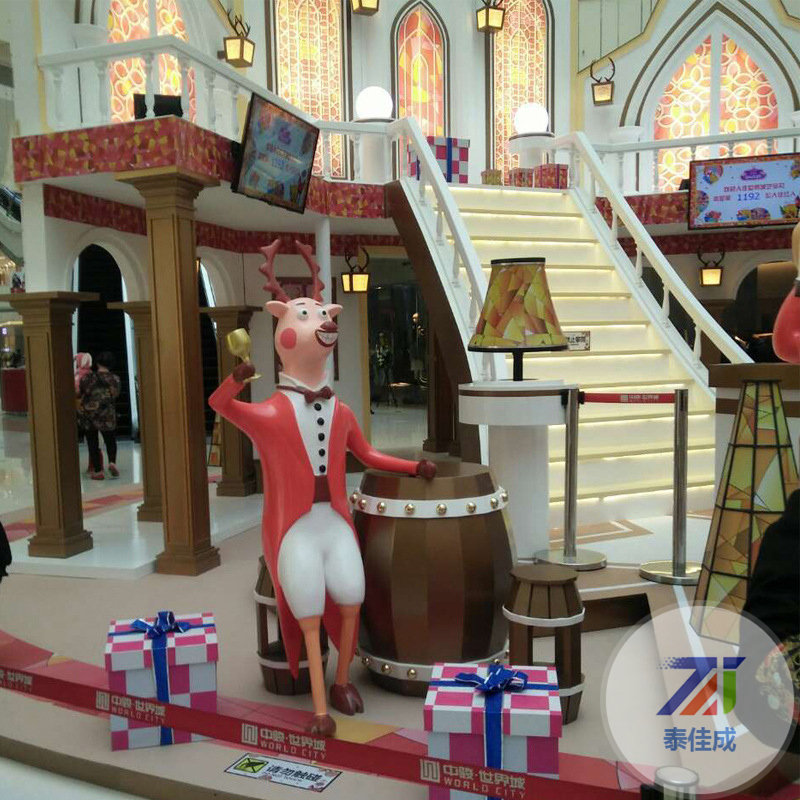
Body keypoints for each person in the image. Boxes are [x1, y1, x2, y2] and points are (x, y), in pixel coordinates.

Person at [79, 351, 121, 480]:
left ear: (97, 363)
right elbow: (116, 395)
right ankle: (112, 462)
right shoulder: (115, 379)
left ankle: (98, 471)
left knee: (92, 443)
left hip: (89, 415)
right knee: (110, 440)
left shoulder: (87, 378)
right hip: (107, 414)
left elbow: (81, 392)